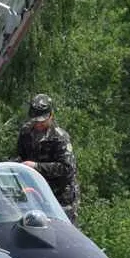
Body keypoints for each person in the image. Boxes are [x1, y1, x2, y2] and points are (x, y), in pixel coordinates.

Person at [14, 93, 79, 224]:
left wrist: (36, 166)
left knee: (61, 234)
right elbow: (20, 156)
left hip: (61, 198)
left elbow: (67, 168)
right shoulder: (26, 132)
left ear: (51, 115)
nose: (39, 124)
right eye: (36, 120)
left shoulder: (59, 137)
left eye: (43, 120)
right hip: (35, 193)